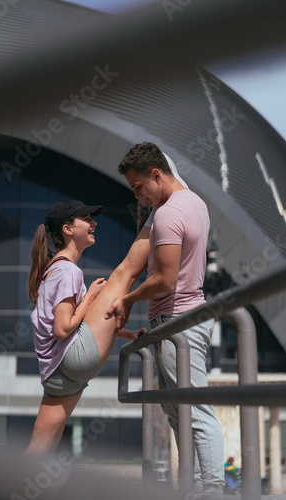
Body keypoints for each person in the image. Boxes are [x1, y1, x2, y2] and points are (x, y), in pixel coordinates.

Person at [105, 142, 225, 498]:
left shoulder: (171, 213)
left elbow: (164, 281)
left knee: (193, 410)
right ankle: (196, 487)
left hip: (178, 322)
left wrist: (126, 298)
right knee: (177, 411)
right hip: (180, 320)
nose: (139, 198)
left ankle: (211, 489)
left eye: (139, 187)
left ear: (156, 174)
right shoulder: (195, 203)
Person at [25, 199, 146, 455]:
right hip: (72, 357)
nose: (94, 223)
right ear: (68, 229)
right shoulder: (68, 271)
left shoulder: (54, 269)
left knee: (41, 444)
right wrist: (90, 295)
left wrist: (127, 333)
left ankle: (20, 489)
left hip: (57, 373)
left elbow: (82, 322)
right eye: (86, 219)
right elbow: (63, 328)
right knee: (124, 275)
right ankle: (155, 217)